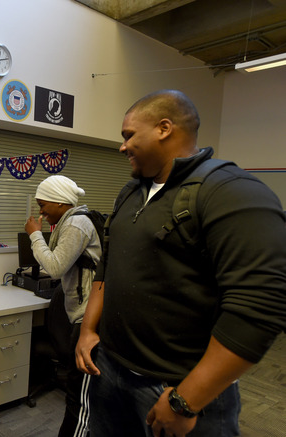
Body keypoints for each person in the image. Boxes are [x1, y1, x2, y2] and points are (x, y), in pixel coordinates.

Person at [75, 90, 286, 437]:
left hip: (177, 389)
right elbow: (107, 266)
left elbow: (260, 309)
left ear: (164, 128)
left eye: (129, 135)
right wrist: (87, 331)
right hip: (111, 370)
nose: (122, 146)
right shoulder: (131, 192)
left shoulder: (230, 191)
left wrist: (186, 400)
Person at [25, 175, 101, 437]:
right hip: (79, 313)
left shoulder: (77, 224)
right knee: (78, 391)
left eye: (43, 204)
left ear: (60, 202)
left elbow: (55, 267)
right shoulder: (68, 222)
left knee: (79, 398)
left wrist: (35, 235)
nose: (41, 212)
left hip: (88, 318)